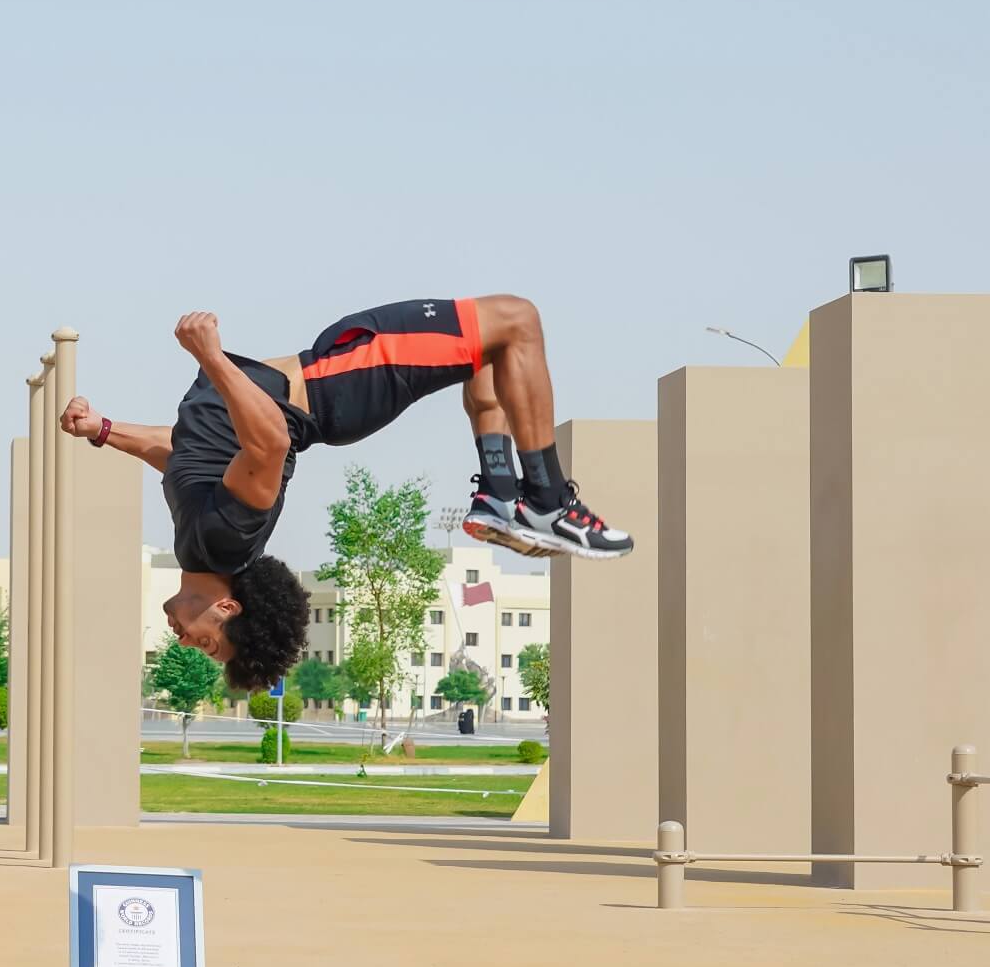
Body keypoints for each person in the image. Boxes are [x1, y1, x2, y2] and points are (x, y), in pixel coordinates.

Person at [59, 296, 633, 690]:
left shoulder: (197, 545)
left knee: (489, 347)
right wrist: (210, 356)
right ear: (227, 608)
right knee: (517, 319)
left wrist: (106, 432)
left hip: (336, 370)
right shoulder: (227, 541)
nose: (186, 642)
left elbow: (183, 451)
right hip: (344, 382)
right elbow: (269, 445)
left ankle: (504, 493)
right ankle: (548, 500)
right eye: (209, 644)